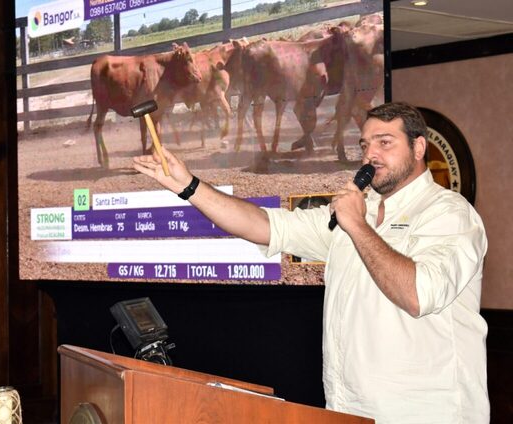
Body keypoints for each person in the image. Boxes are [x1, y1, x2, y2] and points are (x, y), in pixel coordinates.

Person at [133, 102, 488, 423]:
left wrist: (357, 224)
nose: (370, 155)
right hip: (351, 409)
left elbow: (417, 294)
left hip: (425, 413)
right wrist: (188, 186)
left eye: (385, 142)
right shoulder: (355, 213)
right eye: (364, 145)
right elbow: (264, 224)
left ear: (418, 147)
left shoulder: (449, 214)